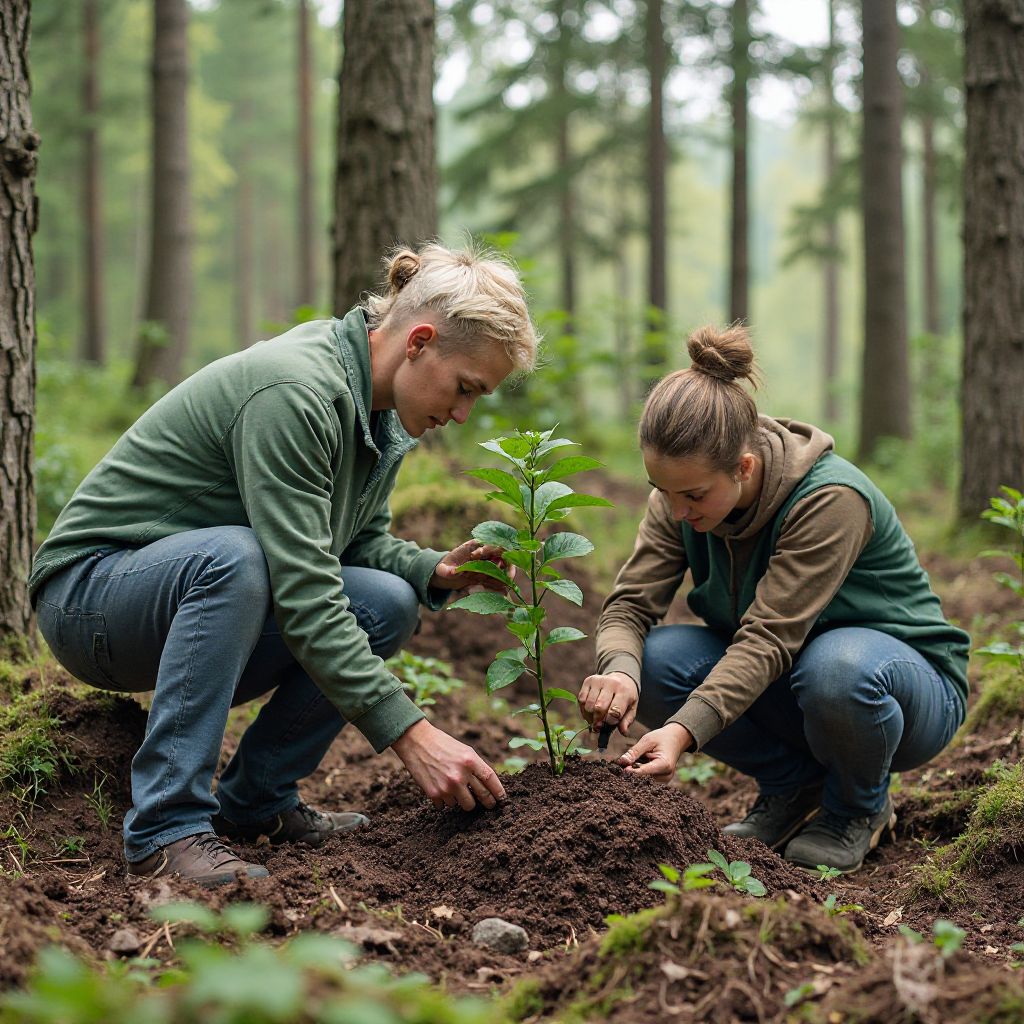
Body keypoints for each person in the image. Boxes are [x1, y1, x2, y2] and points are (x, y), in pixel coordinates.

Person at [30, 242, 539, 887]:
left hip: (185, 602)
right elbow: (304, 593)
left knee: (386, 600)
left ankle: (256, 802)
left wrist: (431, 570)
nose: (464, 413)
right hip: (91, 599)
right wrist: (412, 735)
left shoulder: (380, 414)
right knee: (236, 560)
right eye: (465, 388)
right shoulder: (297, 392)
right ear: (419, 341)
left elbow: (350, 546)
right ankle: (165, 828)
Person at [578, 325, 969, 874]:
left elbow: (767, 637)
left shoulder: (830, 500)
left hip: (904, 690)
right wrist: (620, 671)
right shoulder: (678, 498)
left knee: (838, 670)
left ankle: (857, 808)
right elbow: (630, 604)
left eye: (692, 495)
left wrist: (682, 732)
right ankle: (794, 787)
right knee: (657, 660)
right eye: (662, 490)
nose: (677, 509)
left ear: (744, 466)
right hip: (796, 682)